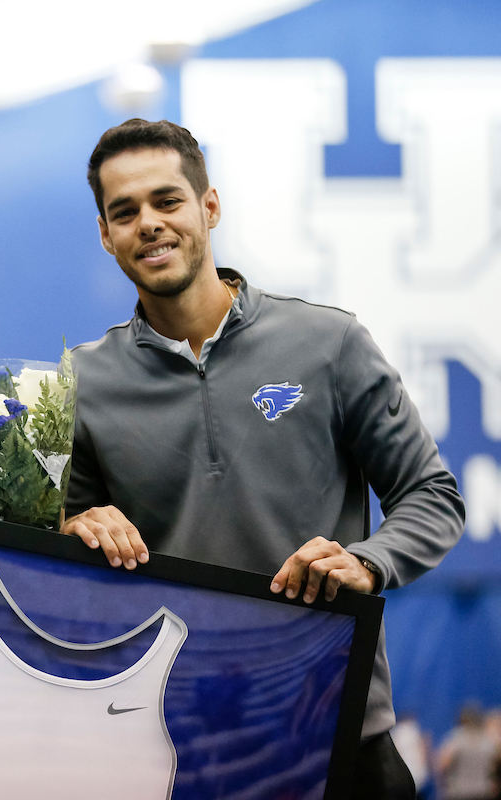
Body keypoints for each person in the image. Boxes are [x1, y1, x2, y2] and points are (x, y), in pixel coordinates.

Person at [64, 119, 465, 798]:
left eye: (167, 201)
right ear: (106, 235)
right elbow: (59, 531)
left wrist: (369, 561)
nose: (149, 224)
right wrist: (72, 526)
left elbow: (431, 493)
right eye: (124, 212)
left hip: (340, 732)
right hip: (177, 740)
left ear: (208, 207)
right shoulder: (80, 381)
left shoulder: (328, 343)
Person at [437, 705, 501, 800]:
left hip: (460, 792)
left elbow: (443, 764)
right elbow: (496, 762)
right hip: (483, 791)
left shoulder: (457, 738)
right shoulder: (487, 740)